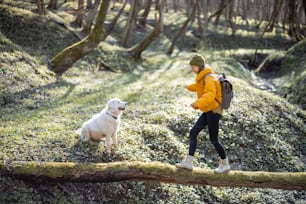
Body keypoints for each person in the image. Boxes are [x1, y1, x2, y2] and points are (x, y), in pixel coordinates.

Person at [176, 54, 230, 173]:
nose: (192, 69)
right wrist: (188, 86)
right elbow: (199, 87)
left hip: (214, 110)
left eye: (193, 67)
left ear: (200, 66)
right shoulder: (203, 77)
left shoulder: (209, 78)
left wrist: (198, 103)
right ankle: (188, 162)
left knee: (214, 139)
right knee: (193, 132)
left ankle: (225, 164)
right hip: (208, 110)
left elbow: (210, 95)